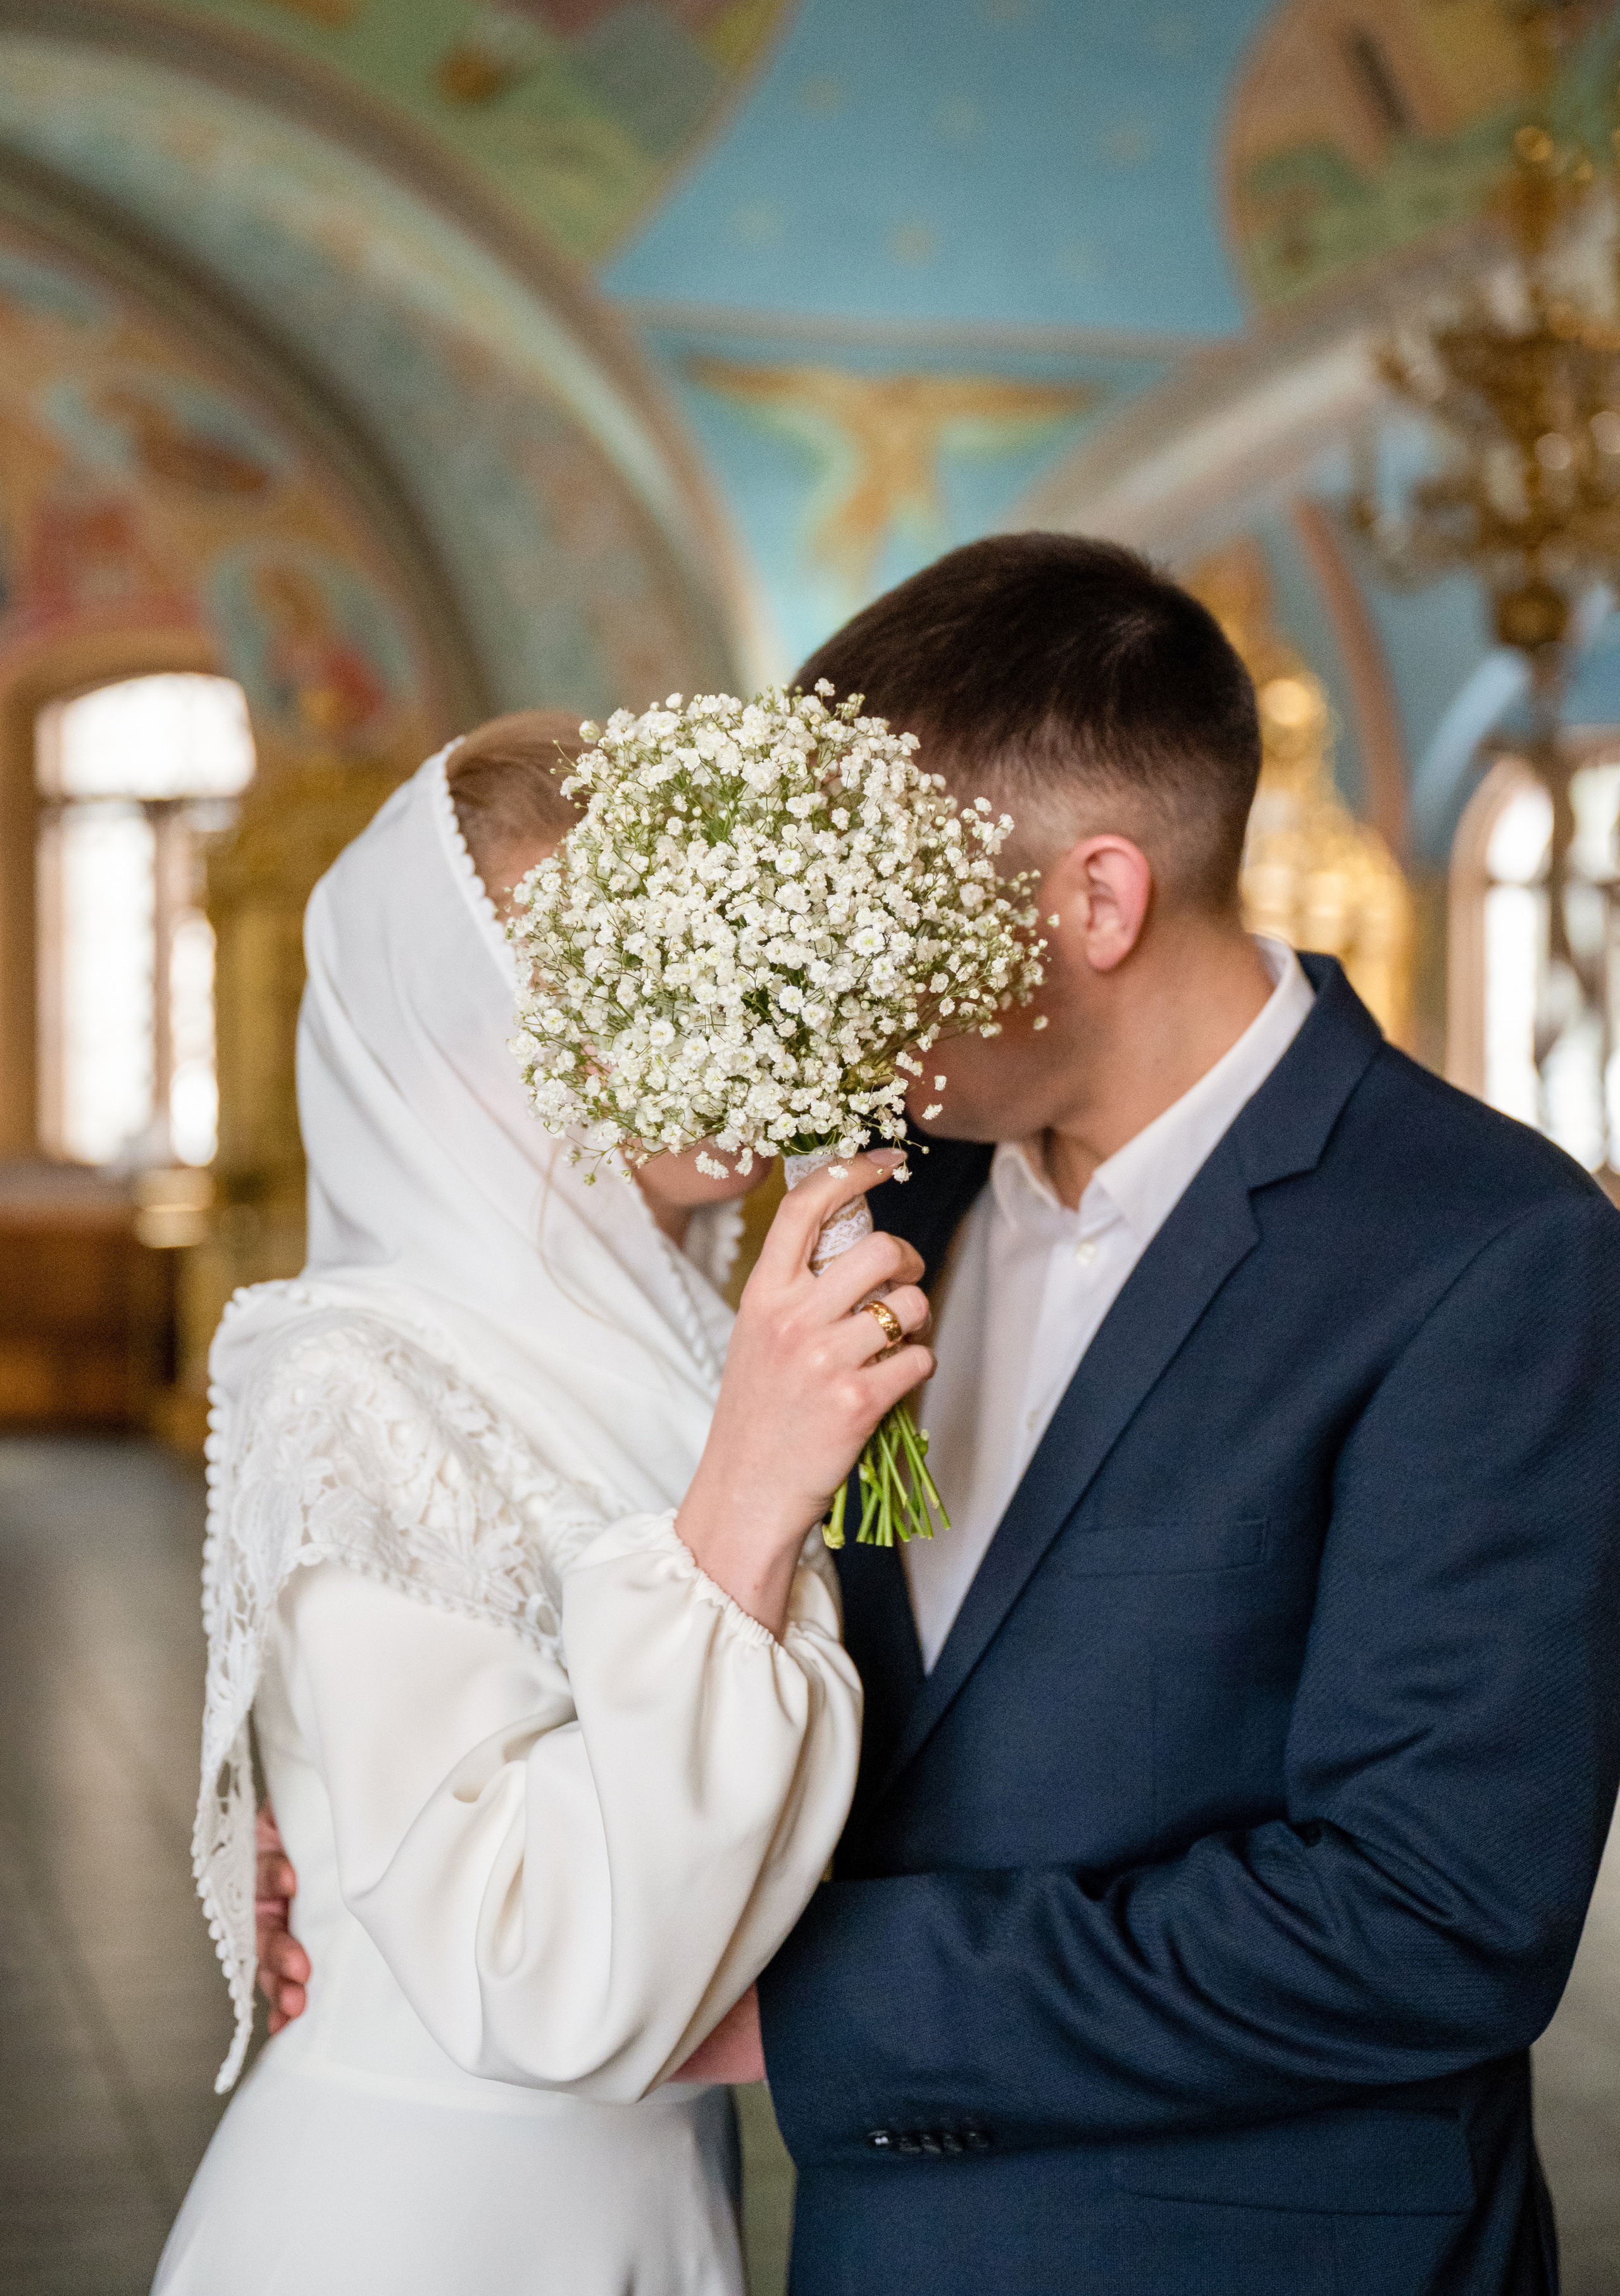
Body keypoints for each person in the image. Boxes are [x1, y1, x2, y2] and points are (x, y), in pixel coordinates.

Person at [261, 540, 1620, 2296]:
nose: (827, 970)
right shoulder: (892, 1200)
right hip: (878, 2245)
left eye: (880, 903)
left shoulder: (1490, 1253)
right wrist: (370, 1816)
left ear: (1098, 902)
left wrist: (801, 2006)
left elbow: (1430, 1920)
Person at [155, 711, 934, 2296]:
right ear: (461, 1032)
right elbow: (528, 1964)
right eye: (605, 976)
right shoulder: (348, 1370)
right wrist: (745, 1497)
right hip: (421, 2215)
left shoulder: (701, 1328)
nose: (688, 1011)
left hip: (651, 2185)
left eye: (694, 948)